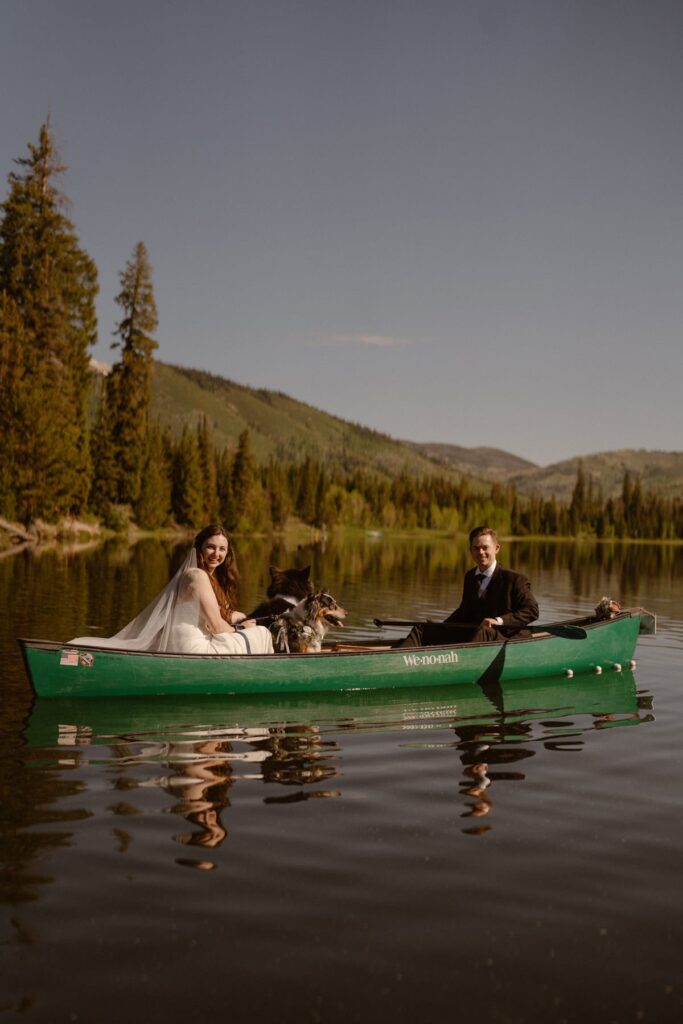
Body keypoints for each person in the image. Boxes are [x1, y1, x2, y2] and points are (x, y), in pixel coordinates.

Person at [69, 524, 274, 655]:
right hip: (193, 648)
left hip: (184, 643)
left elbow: (222, 613)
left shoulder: (206, 577)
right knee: (262, 634)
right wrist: (242, 629)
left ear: (228, 553)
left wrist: (241, 617)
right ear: (200, 548)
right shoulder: (198, 576)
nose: (216, 554)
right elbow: (217, 626)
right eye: (211, 547)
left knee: (257, 629)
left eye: (222, 549)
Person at [400, 525, 539, 647]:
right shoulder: (470, 576)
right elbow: (464, 612)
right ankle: (397, 662)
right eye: (476, 548)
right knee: (423, 628)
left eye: (485, 548)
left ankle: (455, 663)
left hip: (507, 640)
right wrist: (441, 627)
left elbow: (532, 610)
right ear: (471, 550)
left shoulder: (515, 579)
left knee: (483, 632)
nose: (480, 552)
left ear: (496, 548)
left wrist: (498, 621)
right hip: (475, 638)